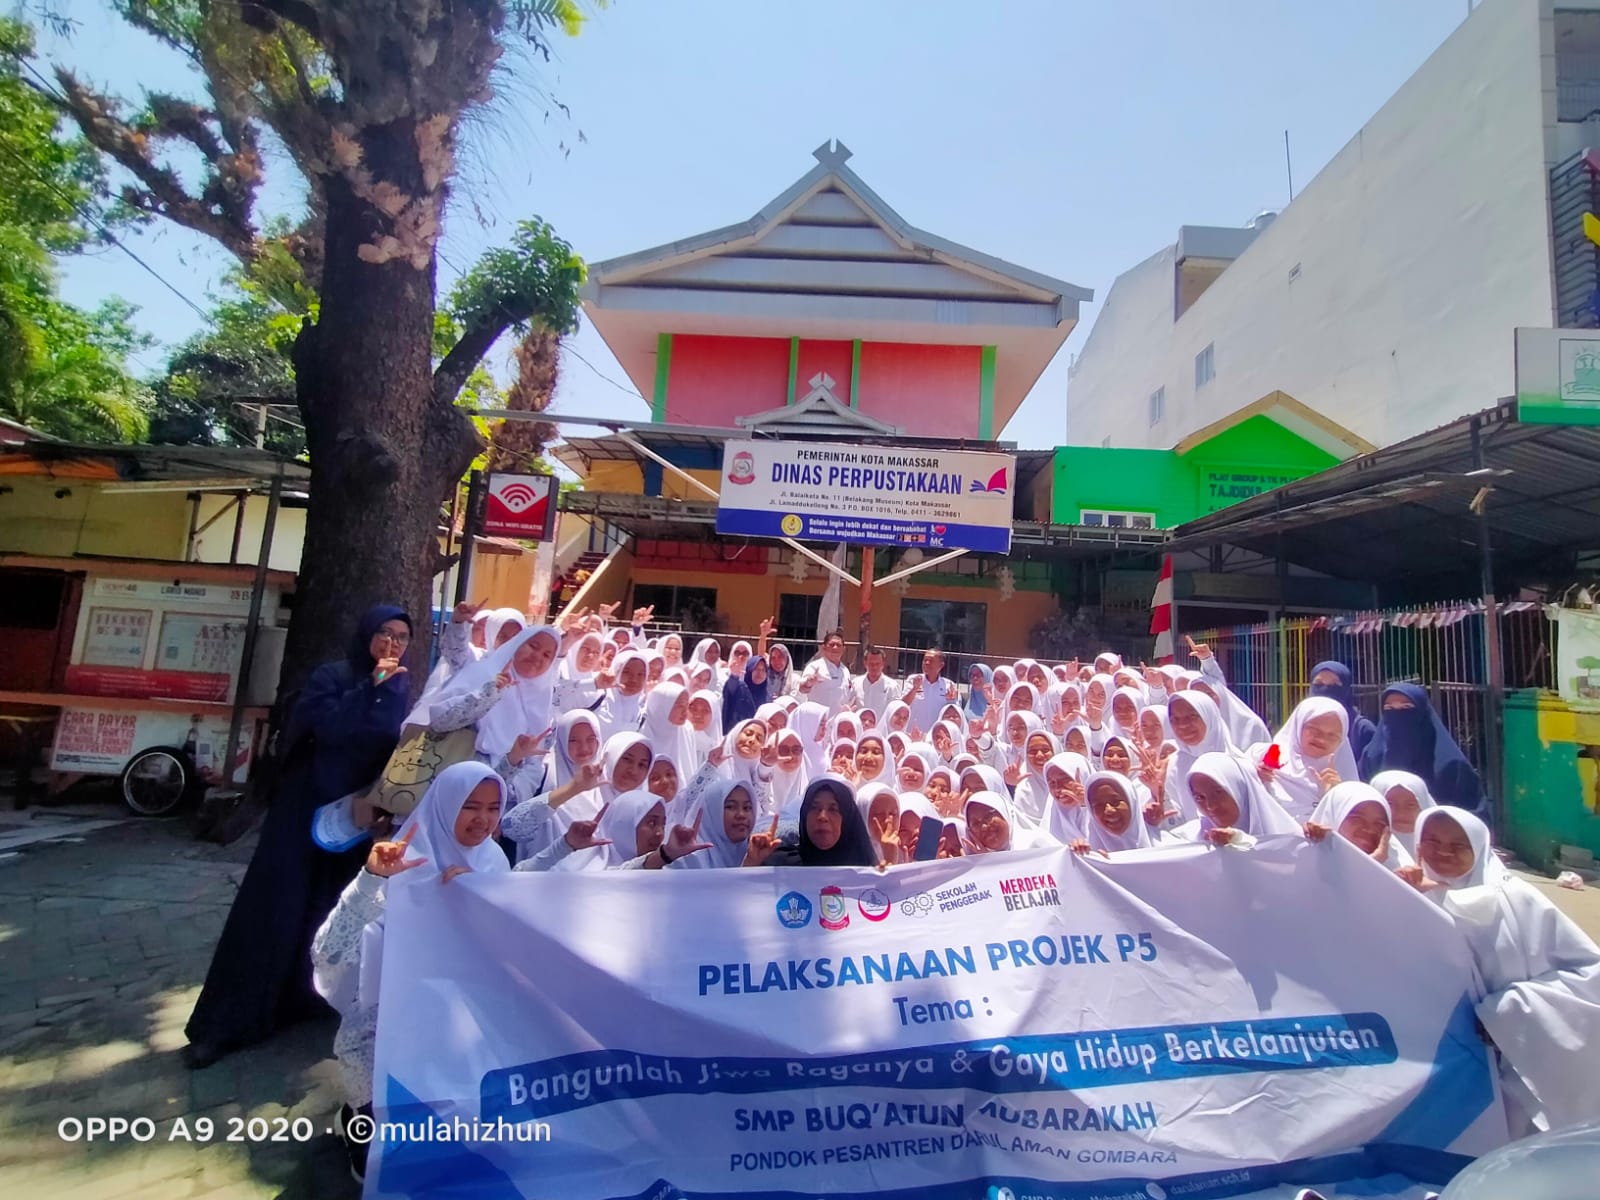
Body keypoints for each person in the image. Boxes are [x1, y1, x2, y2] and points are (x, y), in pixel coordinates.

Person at [183, 605, 414, 1069]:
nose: (392, 643)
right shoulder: (333, 676)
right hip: (303, 808)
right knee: (274, 908)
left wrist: (384, 802)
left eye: (402, 637)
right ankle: (227, 1023)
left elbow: (392, 746)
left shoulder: (401, 686)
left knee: (329, 909)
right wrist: (368, 688)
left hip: (354, 816)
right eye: (384, 633)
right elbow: (323, 728)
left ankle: (304, 1004)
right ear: (367, 634)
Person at [310, 760, 507, 1180]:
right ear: (443, 805)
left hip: (459, 1030)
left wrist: (483, 898)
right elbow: (329, 952)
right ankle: (358, 1119)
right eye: (470, 806)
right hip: (383, 1032)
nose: (483, 820)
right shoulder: (402, 866)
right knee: (384, 1157)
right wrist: (370, 879)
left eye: (493, 808)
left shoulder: (492, 865)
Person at [1407, 807, 1600, 1135]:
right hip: (1442, 1058)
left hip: (1517, 1056)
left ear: (1479, 848)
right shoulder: (1407, 895)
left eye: (1458, 846)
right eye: (1432, 841)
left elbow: (1589, 972)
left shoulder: (1515, 899)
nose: (1443, 852)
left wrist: (1508, 1010)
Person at [1360, 683, 1484, 811]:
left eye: (1406, 707)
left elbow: (1473, 817)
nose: (1398, 715)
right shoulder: (1371, 758)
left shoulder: (1451, 765)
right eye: (1389, 708)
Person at [1257, 696, 1358, 821]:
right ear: (1298, 726)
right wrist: (1252, 777)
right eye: (1314, 730)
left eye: (1332, 735)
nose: (1321, 739)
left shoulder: (1345, 781)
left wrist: (1335, 797)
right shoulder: (1261, 758)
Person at [1182, 751, 1304, 847]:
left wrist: (1238, 842)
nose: (1210, 806)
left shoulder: (1291, 840)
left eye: (1218, 792)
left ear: (1240, 789)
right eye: (1199, 797)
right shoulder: (1190, 841)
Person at [755, 776, 878, 866]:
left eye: (833, 809)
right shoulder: (779, 865)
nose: (822, 817)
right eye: (814, 807)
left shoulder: (865, 870)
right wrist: (752, 862)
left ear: (847, 819)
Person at [1306, 781, 1410, 870]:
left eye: (1379, 824)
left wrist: (1372, 867)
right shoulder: (1301, 863)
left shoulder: (1400, 878)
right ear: (1334, 816)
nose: (1369, 829)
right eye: (1357, 819)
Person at [1310, 660, 1378, 763]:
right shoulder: (1299, 725)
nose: (1325, 689)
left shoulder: (1362, 729)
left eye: (1334, 685)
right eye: (1319, 684)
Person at [1371, 770, 1435, 857]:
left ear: (1424, 807)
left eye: (1411, 805)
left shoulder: (1444, 853)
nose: (1401, 814)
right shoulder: (1357, 849)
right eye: (1390, 804)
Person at [797, 629, 853, 715]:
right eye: (831, 644)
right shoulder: (815, 667)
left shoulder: (845, 671)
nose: (835, 647)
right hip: (818, 721)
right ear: (824, 647)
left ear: (843, 649)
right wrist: (809, 682)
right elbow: (802, 689)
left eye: (838, 645)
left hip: (838, 723)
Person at [905, 648, 960, 736]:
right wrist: (914, 689)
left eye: (931, 660)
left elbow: (954, 713)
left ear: (941, 665)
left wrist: (951, 701)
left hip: (936, 736)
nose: (926, 663)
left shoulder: (949, 685)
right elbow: (903, 703)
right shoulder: (913, 680)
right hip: (912, 733)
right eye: (925, 660)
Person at [851, 645, 902, 720]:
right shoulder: (855, 683)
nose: (874, 667)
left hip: (881, 730)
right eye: (871, 664)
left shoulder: (892, 686)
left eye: (877, 664)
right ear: (865, 663)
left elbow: (895, 711)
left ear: (883, 664)